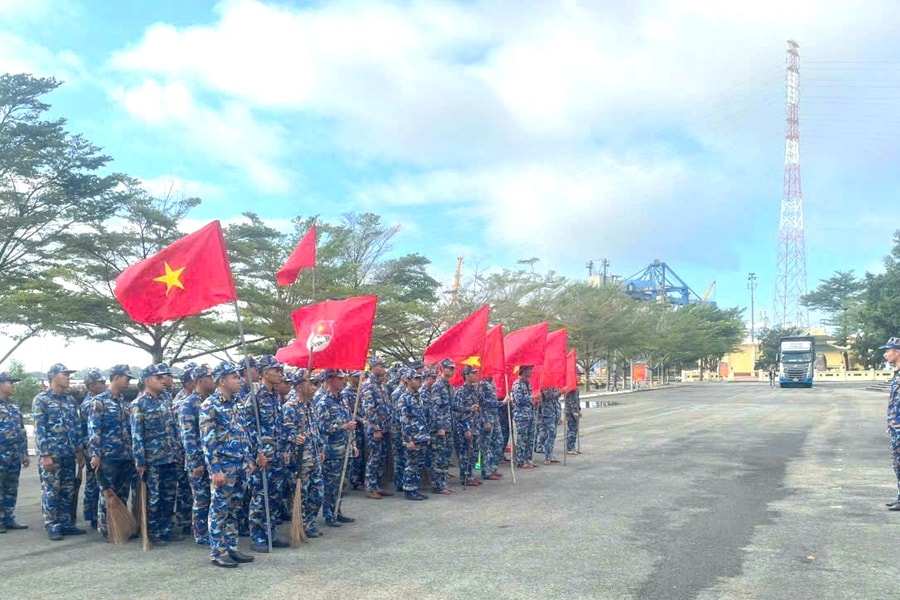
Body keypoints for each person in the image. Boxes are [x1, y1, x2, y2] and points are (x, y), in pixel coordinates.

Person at [200, 361, 255, 568]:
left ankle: (231, 546)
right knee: (219, 510)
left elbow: (243, 432)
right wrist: (215, 470)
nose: (239, 380)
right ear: (222, 380)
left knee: (234, 509)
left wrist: (248, 458)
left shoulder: (237, 403)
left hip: (240, 464)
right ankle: (217, 551)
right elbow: (208, 440)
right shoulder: (210, 405)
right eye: (234, 377)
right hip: (223, 467)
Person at [33, 363, 85, 541]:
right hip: (52, 454)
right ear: (54, 376)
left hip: (69, 453)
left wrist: (79, 450)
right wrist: (45, 455)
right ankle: (52, 525)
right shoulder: (41, 400)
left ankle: (66, 523)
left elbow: (76, 426)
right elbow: (39, 430)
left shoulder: (70, 400)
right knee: (51, 490)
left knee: (67, 490)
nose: (68, 377)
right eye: (65, 374)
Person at [243, 355, 289, 552]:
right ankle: (258, 537)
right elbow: (247, 429)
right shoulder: (255, 398)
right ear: (264, 373)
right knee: (260, 497)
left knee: (274, 497)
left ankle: (271, 533)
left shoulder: (274, 396)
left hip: (277, 454)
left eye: (280, 370)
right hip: (263, 456)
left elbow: (279, 426)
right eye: (275, 370)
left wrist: (285, 449)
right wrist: (257, 453)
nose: (280, 373)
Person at [131, 363, 180, 546]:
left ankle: (166, 528)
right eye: (158, 378)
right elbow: (137, 435)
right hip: (152, 459)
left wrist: (177, 451)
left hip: (169, 456)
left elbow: (172, 428)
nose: (162, 381)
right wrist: (140, 460)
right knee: (154, 497)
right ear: (148, 381)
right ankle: (153, 531)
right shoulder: (138, 404)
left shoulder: (164, 400)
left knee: (169, 495)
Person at [88, 364, 136, 541]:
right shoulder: (99, 401)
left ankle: (121, 525)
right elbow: (94, 429)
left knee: (123, 493)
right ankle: (107, 528)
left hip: (125, 455)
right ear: (116, 377)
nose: (128, 381)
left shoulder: (125, 403)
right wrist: (95, 454)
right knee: (108, 493)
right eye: (126, 378)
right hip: (108, 456)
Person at [314, 370, 357, 527]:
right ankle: (329, 514)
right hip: (332, 450)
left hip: (345, 448)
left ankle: (337, 511)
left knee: (342, 483)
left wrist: (353, 444)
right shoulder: (323, 401)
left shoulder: (342, 399)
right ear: (330, 380)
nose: (343, 381)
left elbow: (349, 421)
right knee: (331, 485)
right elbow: (321, 426)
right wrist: (343, 426)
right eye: (339, 378)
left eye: (344, 378)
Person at [178, 364, 214, 545]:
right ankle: (200, 533)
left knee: (211, 497)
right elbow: (188, 436)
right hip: (198, 461)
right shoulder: (189, 404)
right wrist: (195, 462)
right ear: (200, 380)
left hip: (212, 459)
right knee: (201, 498)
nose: (213, 380)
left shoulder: (211, 400)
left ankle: (210, 530)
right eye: (210, 377)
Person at [0, 371, 29, 532]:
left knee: (11, 486)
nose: (13, 385)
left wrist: (24, 452)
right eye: (9, 382)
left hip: (13, 453)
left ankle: (8, 517)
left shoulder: (13, 405)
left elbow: (21, 429)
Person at [360, 357, 393, 500]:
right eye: (380, 366)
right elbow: (369, 410)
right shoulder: (368, 386)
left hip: (385, 427)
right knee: (374, 458)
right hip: (375, 429)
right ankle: (370, 487)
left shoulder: (382, 385)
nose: (383, 368)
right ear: (373, 367)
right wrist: (375, 429)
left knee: (381, 458)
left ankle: (378, 485)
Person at [80, 368, 106, 530]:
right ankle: (91, 515)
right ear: (91, 386)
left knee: (98, 482)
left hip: (98, 448)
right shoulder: (88, 404)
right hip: (91, 449)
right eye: (101, 383)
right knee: (93, 483)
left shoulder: (100, 400)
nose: (104, 385)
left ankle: (95, 514)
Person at [399, 368, 429, 500]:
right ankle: (409, 489)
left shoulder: (418, 397)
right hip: (412, 438)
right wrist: (408, 440)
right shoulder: (404, 398)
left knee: (417, 464)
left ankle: (415, 488)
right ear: (408, 380)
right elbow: (404, 421)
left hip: (421, 436)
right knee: (411, 464)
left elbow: (421, 417)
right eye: (416, 379)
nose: (419, 381)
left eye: (419, 379)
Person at [428, 359, 455, 495]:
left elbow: (452, 406)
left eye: (453, 368)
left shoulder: (448, 386)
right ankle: (437, 485)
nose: (452, 371)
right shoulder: (437, 386)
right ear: (442, 368)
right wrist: (440, 427)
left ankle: (443, 483)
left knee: (445, 456)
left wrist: (469, 408)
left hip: (448, 426)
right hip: (441, 428)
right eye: (449, 368)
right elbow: (435, 408)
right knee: (438, 457)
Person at [452, 365, 482, 486]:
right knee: (465, 453)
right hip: (466, 426)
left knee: (474, 452)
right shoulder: (460, 391)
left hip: (475, 425)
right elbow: (456, 409)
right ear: (466, 375)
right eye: (473, 373)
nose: (475, 375)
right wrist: (466, 429)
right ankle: (465, 477)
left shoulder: (475, 390)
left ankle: (470, 474)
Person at [880, 337, 900, 511]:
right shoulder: (897, 374)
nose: (885, 354)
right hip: (896, 427)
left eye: (888, 350)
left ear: (897, 352)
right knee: (897, 464)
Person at [512, 365, 537, 470]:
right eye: (529, 369)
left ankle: (528, 460)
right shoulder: (517, 384)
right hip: (521, 415)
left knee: (531, 438)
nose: (531, 371)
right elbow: (519, 400)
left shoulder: (528, 384)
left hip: (530, 414)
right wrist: (532, 397)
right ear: (523, 371)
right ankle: (520, 461)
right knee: (522, 439)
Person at [564, 388, 582, 455]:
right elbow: (568, 401)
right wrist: (573, 412)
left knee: (575, 430)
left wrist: (578, 410)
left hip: (576, 411)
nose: (579, 377)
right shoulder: (570, 388)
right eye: (578, 376)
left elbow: (577, 400)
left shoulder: (576, 388)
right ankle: (570, 448)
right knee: (571, 430)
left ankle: (573, 447)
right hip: (570, 412)